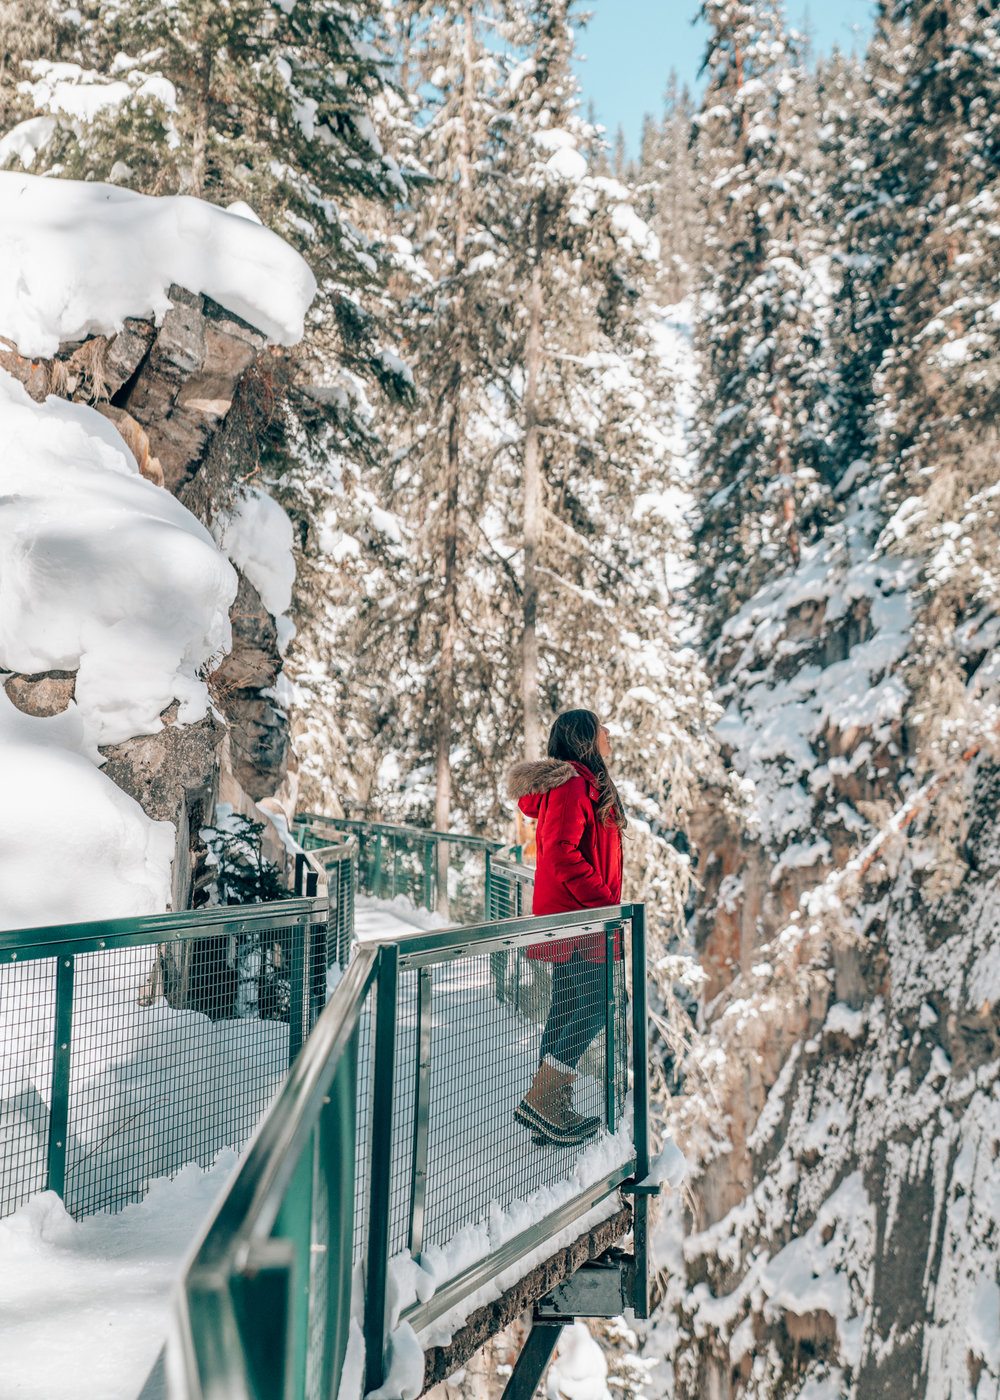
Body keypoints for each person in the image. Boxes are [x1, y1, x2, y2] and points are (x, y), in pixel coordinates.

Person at [506, 709, 626, 1147]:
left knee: (569, 1004)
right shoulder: (575, 784)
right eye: (601, 728)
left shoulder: (578, 783)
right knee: (595, 1005)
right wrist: (604, 903)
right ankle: (545, 1102)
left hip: (574, 916)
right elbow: (561, 850)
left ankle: (546, 1110)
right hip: (581, 917)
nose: (608, 733)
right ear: (584, 739)